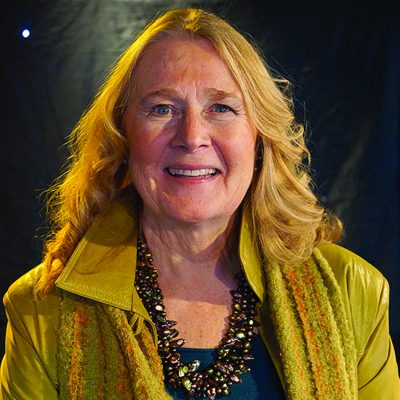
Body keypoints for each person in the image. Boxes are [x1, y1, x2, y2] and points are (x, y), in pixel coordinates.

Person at [1, 7, 399, 400]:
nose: (192, 137)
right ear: (123, 138)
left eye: (221, 108)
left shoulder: (352, 292)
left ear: (259, 139)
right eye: (162, 109)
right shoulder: (40, 310)